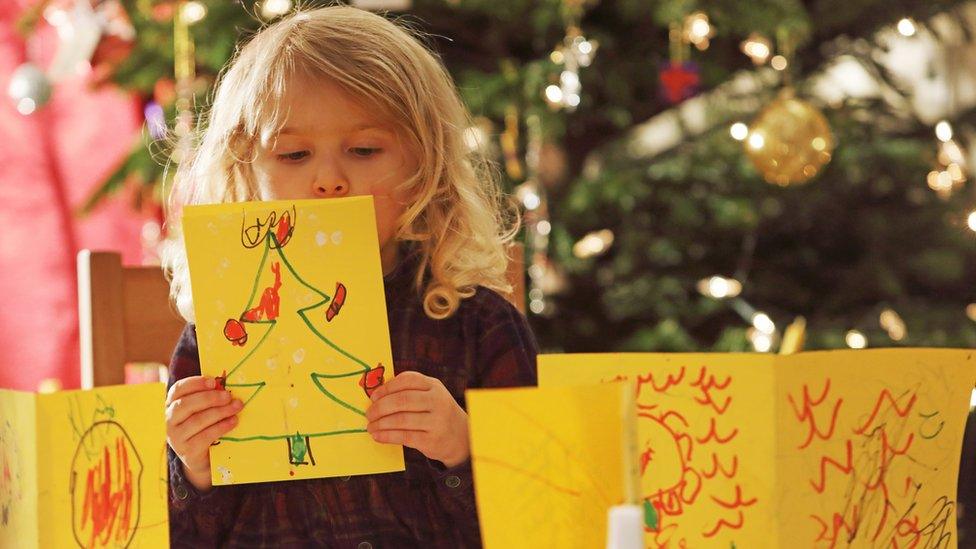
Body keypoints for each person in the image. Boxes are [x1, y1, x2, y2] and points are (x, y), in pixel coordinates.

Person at [159, 6, 537, 547]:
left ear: (424, 161)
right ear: (246, 168)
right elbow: (181, 536)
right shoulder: (217, 340)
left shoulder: (479, 323)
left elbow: (539, 514)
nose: (330, 180)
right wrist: (194, 468)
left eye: (364, 150)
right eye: (293, 154)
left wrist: (464, 446)